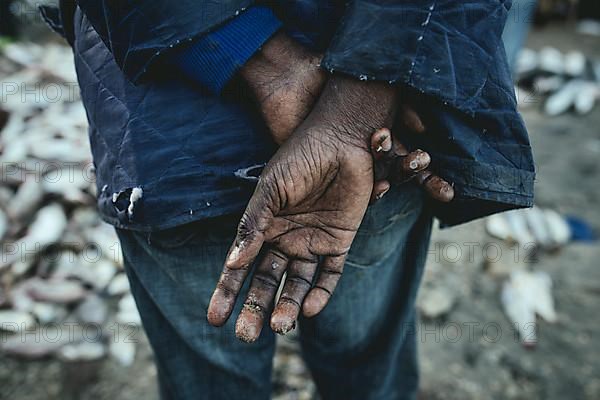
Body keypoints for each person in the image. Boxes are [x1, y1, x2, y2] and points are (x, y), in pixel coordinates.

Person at [41, 1, 535, 399]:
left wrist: (266, 63)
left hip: (170, 137)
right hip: (379, 129)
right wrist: (357, 107)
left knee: (212, 380)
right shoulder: (366, 121)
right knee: (365, 364)